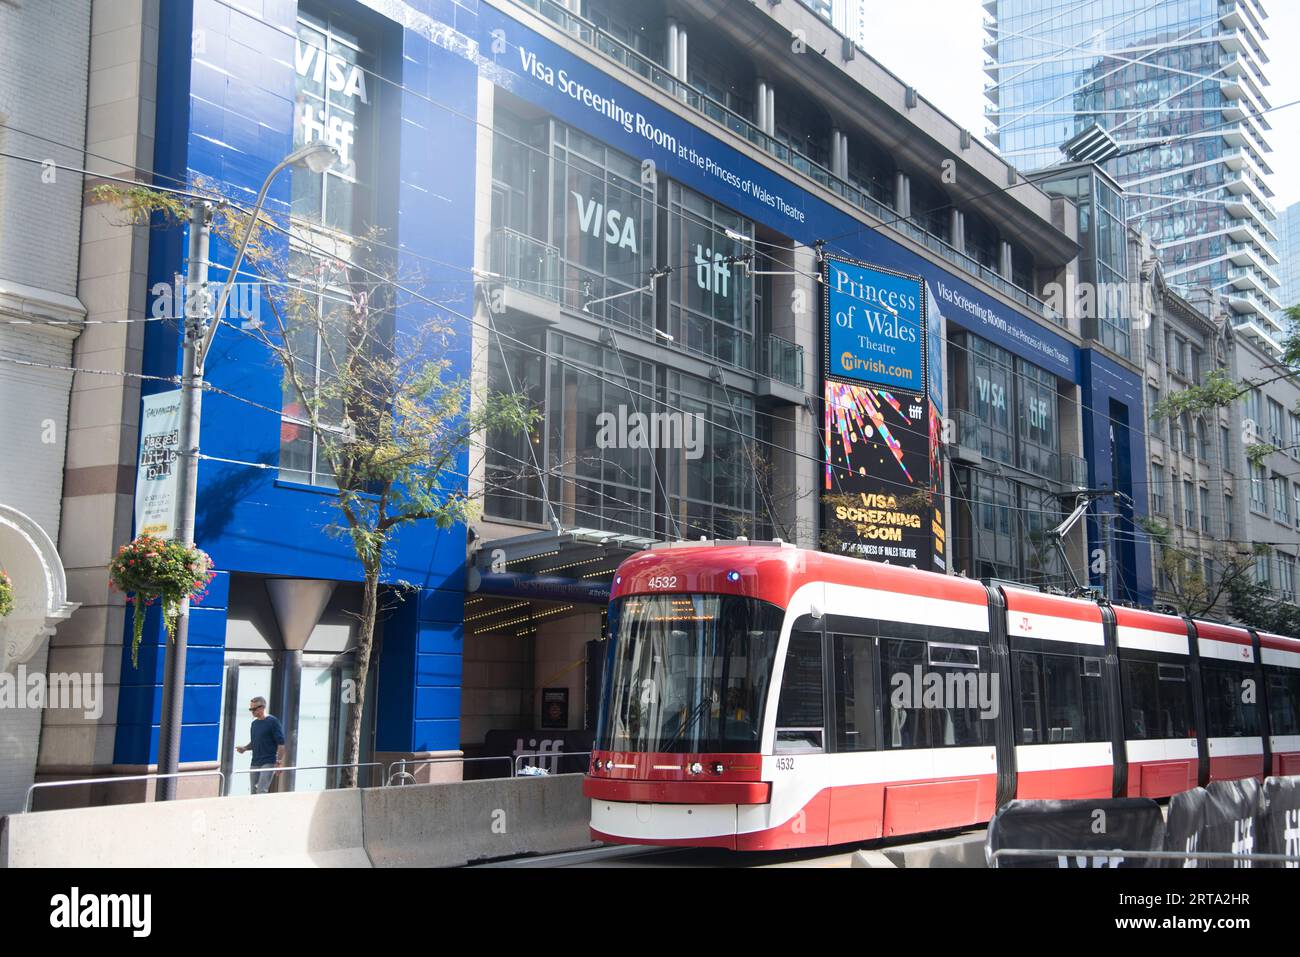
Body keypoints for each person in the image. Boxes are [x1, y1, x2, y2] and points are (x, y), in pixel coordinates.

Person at [237, 697, 285, 794]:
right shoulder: (254, 724)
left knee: (261, 790)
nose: (252, 711)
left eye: (254, 709)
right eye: (250, 709)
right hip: (255, 761)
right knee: (253, 791)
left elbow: (281, 744)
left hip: (268, 761)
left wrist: (279, 762)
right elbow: (254, 742)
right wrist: (245, 748)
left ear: (262, 707)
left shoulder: (273, 722)